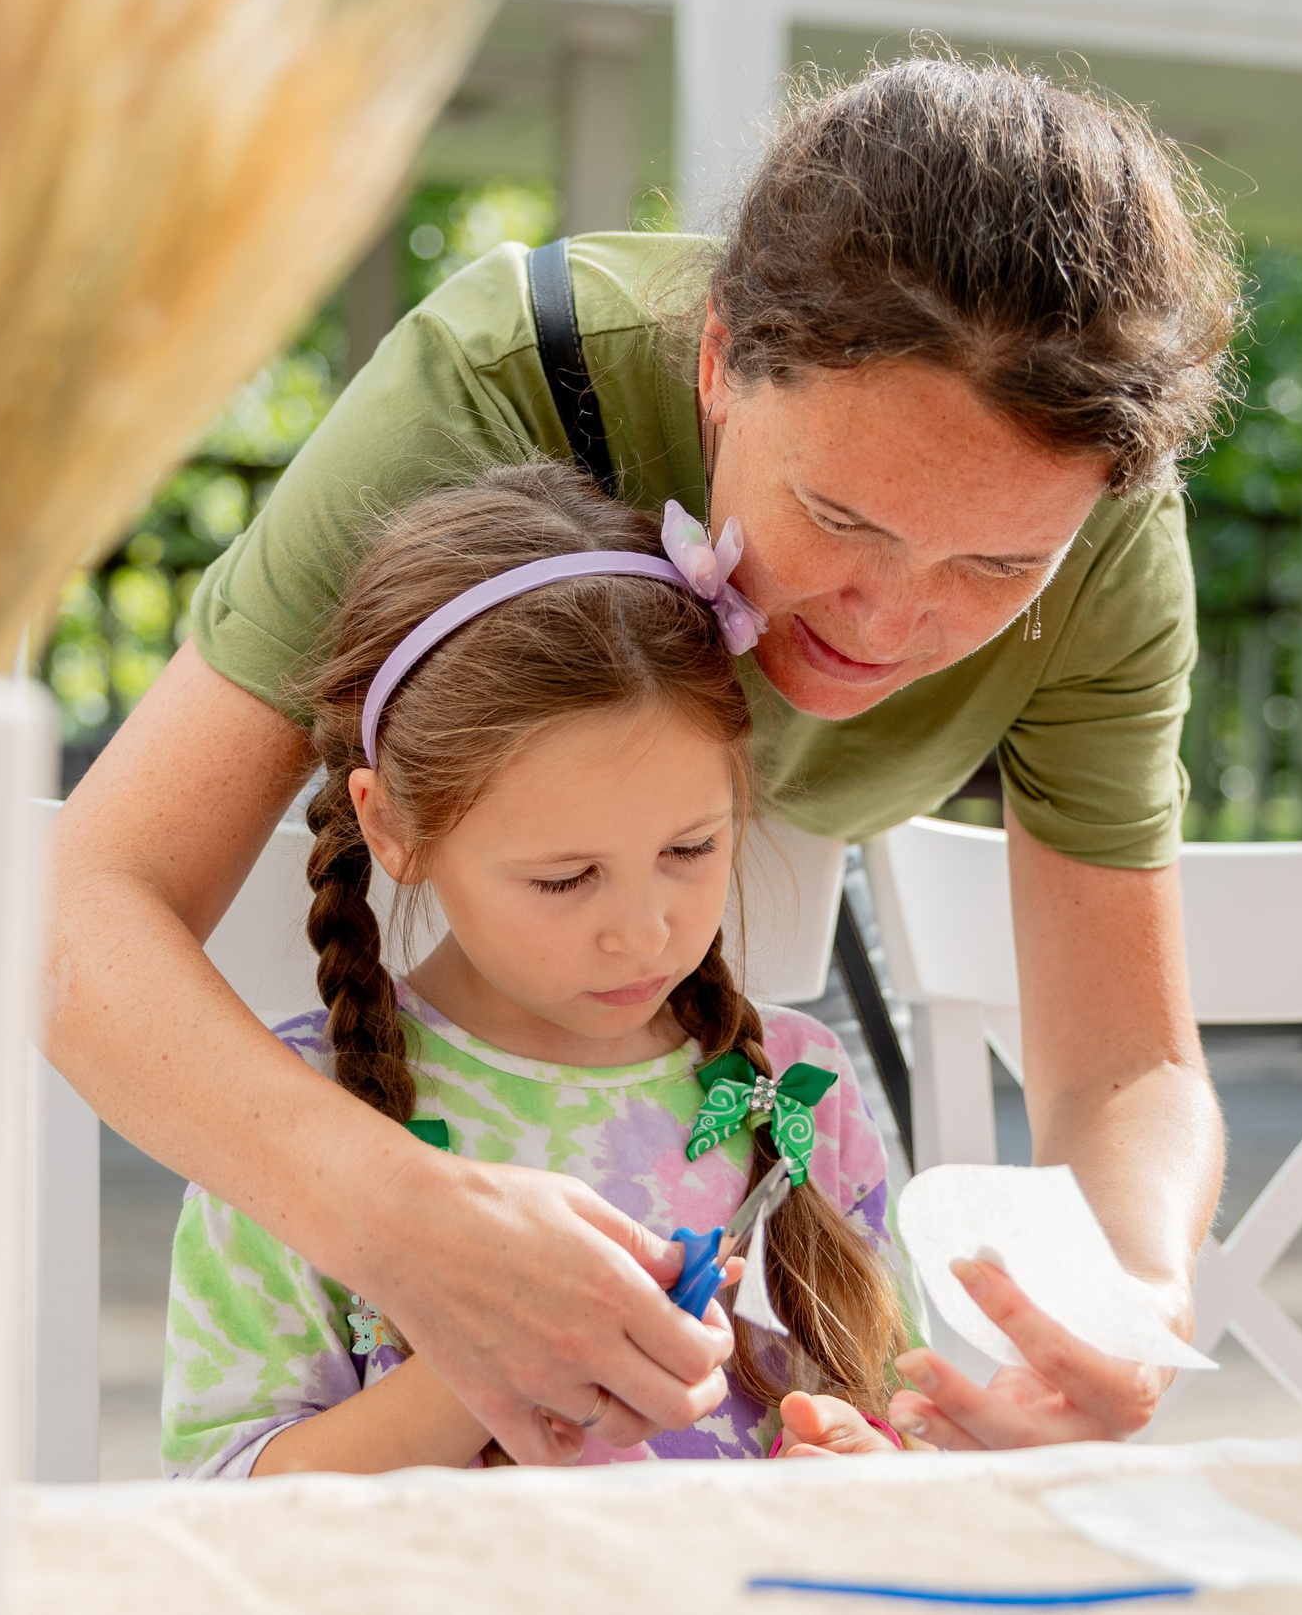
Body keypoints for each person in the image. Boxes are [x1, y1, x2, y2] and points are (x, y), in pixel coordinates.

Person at [49, 55, 1240, 1467]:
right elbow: (77, 912)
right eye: (840, 517)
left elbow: (1123, 1061)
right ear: (721, 356)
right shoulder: (490, 390)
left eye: (997, 563)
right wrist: (414, 1226)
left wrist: (1129, 1296)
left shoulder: (1101, 521)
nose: (892, 618)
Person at [163, 465, 915, 1474]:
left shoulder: (801, 1094)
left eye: (691, 849)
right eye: (566, 880)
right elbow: (220, 1505)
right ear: (390, 823)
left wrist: (868, 1467)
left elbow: (896, 1420)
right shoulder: (294, 1125)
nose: (643, 933)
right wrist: (490, 1358)